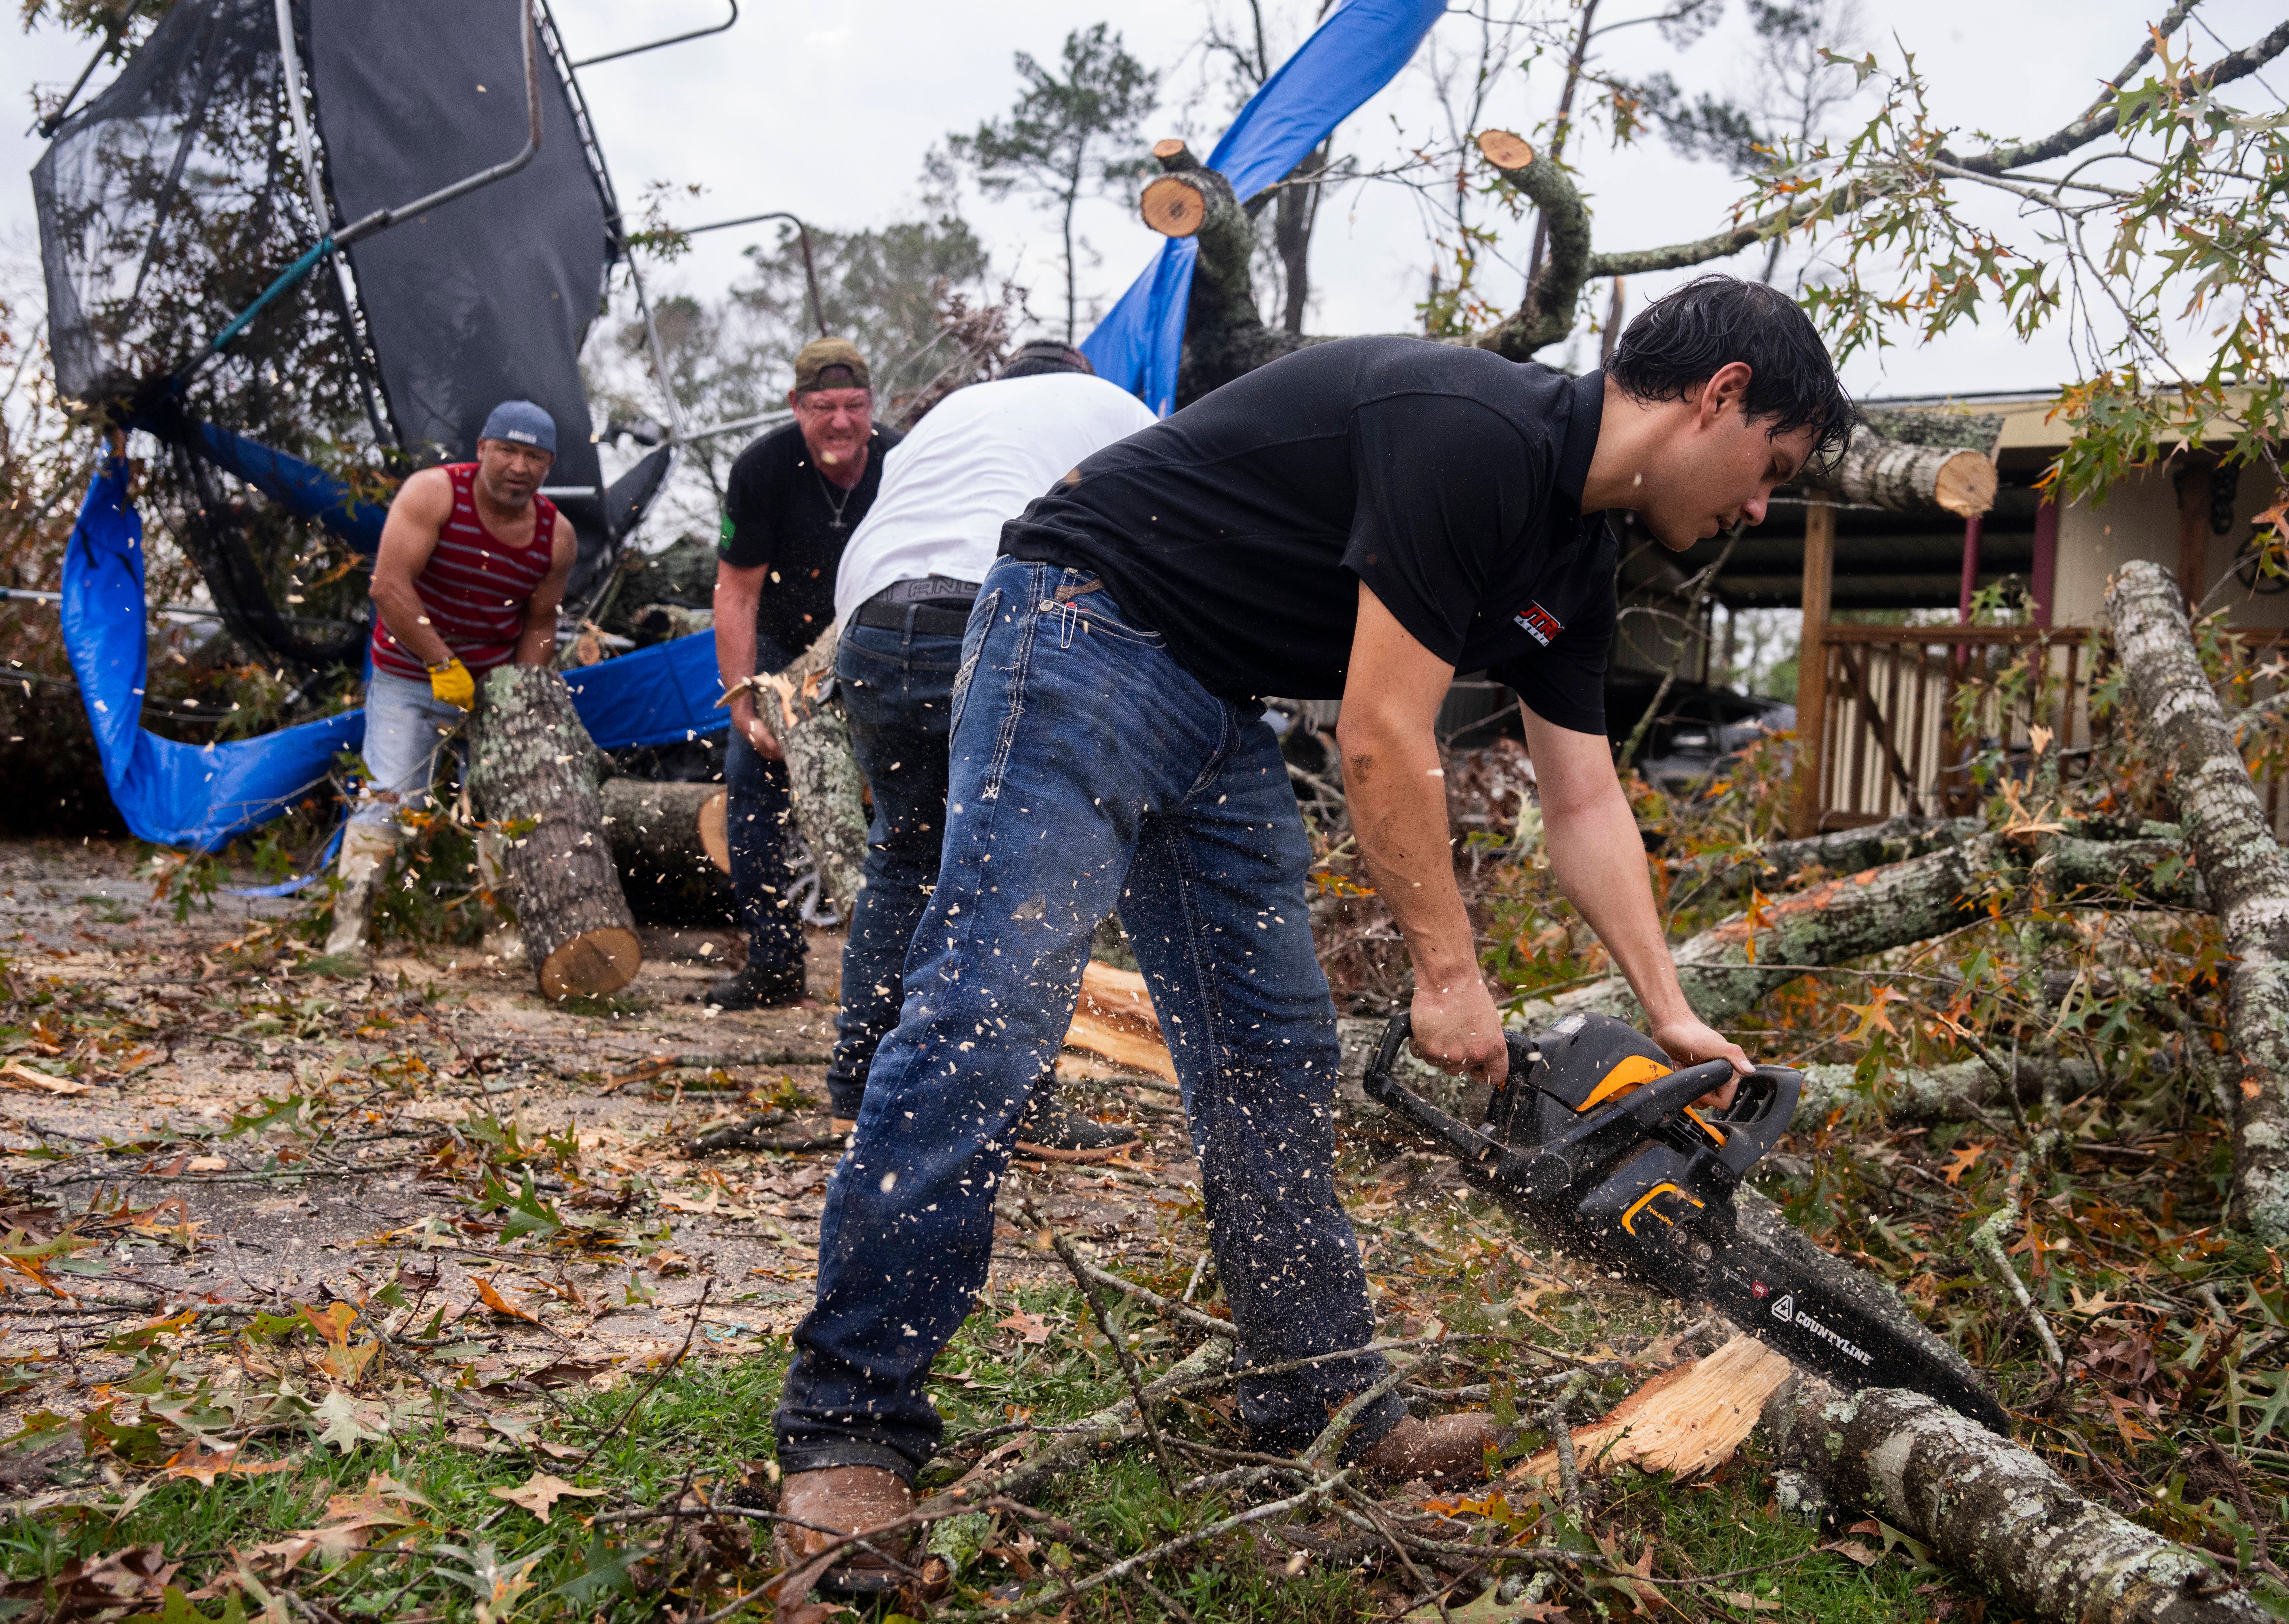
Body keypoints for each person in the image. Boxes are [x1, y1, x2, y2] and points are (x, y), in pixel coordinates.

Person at [768, 276, 1855, 1589]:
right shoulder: (1475, 426)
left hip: (1215, 697)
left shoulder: (1572, 558)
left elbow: (1584, 796)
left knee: (1271, 1063)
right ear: (1720, 394)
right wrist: (1448, 978)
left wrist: (1668, 1007)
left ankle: (1319, 1401)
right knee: (987, 1018)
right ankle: (847, 1429)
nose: (1756, 503)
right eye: (1770, 467)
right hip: (1078, 629)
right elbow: (1381, 734)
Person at [825, 340, 1156, 1155]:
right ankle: (1011, 1105)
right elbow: (1168, 538)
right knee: (1028, 868)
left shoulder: (948, 413)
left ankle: (857, 1089)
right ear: (1080, 380)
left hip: (869, 624)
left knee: (903, 855)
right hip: (984, 612)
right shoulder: (1114, 407)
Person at [327, 400, 575, 965]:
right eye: (507, 450)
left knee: (499, 804)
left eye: (533, 456)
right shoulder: (434, 493)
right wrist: (440, 663)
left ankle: (503, 934)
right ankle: (349, 933)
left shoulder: (555, 536)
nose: (518, 465)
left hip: (493, 683)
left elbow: (540, 621)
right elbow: (389, 586)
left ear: (548, 465)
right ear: (483, 450)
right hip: (409, 673)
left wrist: (521, 692)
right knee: (388, 794)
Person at [708, 338, 904, 1009]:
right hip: (783, 645)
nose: (842, 423)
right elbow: (735, 592)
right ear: (796, 405)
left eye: (855, 406)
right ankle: (773, 961)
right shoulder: (762, 468)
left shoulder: (902, 460)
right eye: (823, 407)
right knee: (750, 775)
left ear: (872, 405)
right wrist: (743, 700)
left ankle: (898, 966)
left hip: (878, 637)